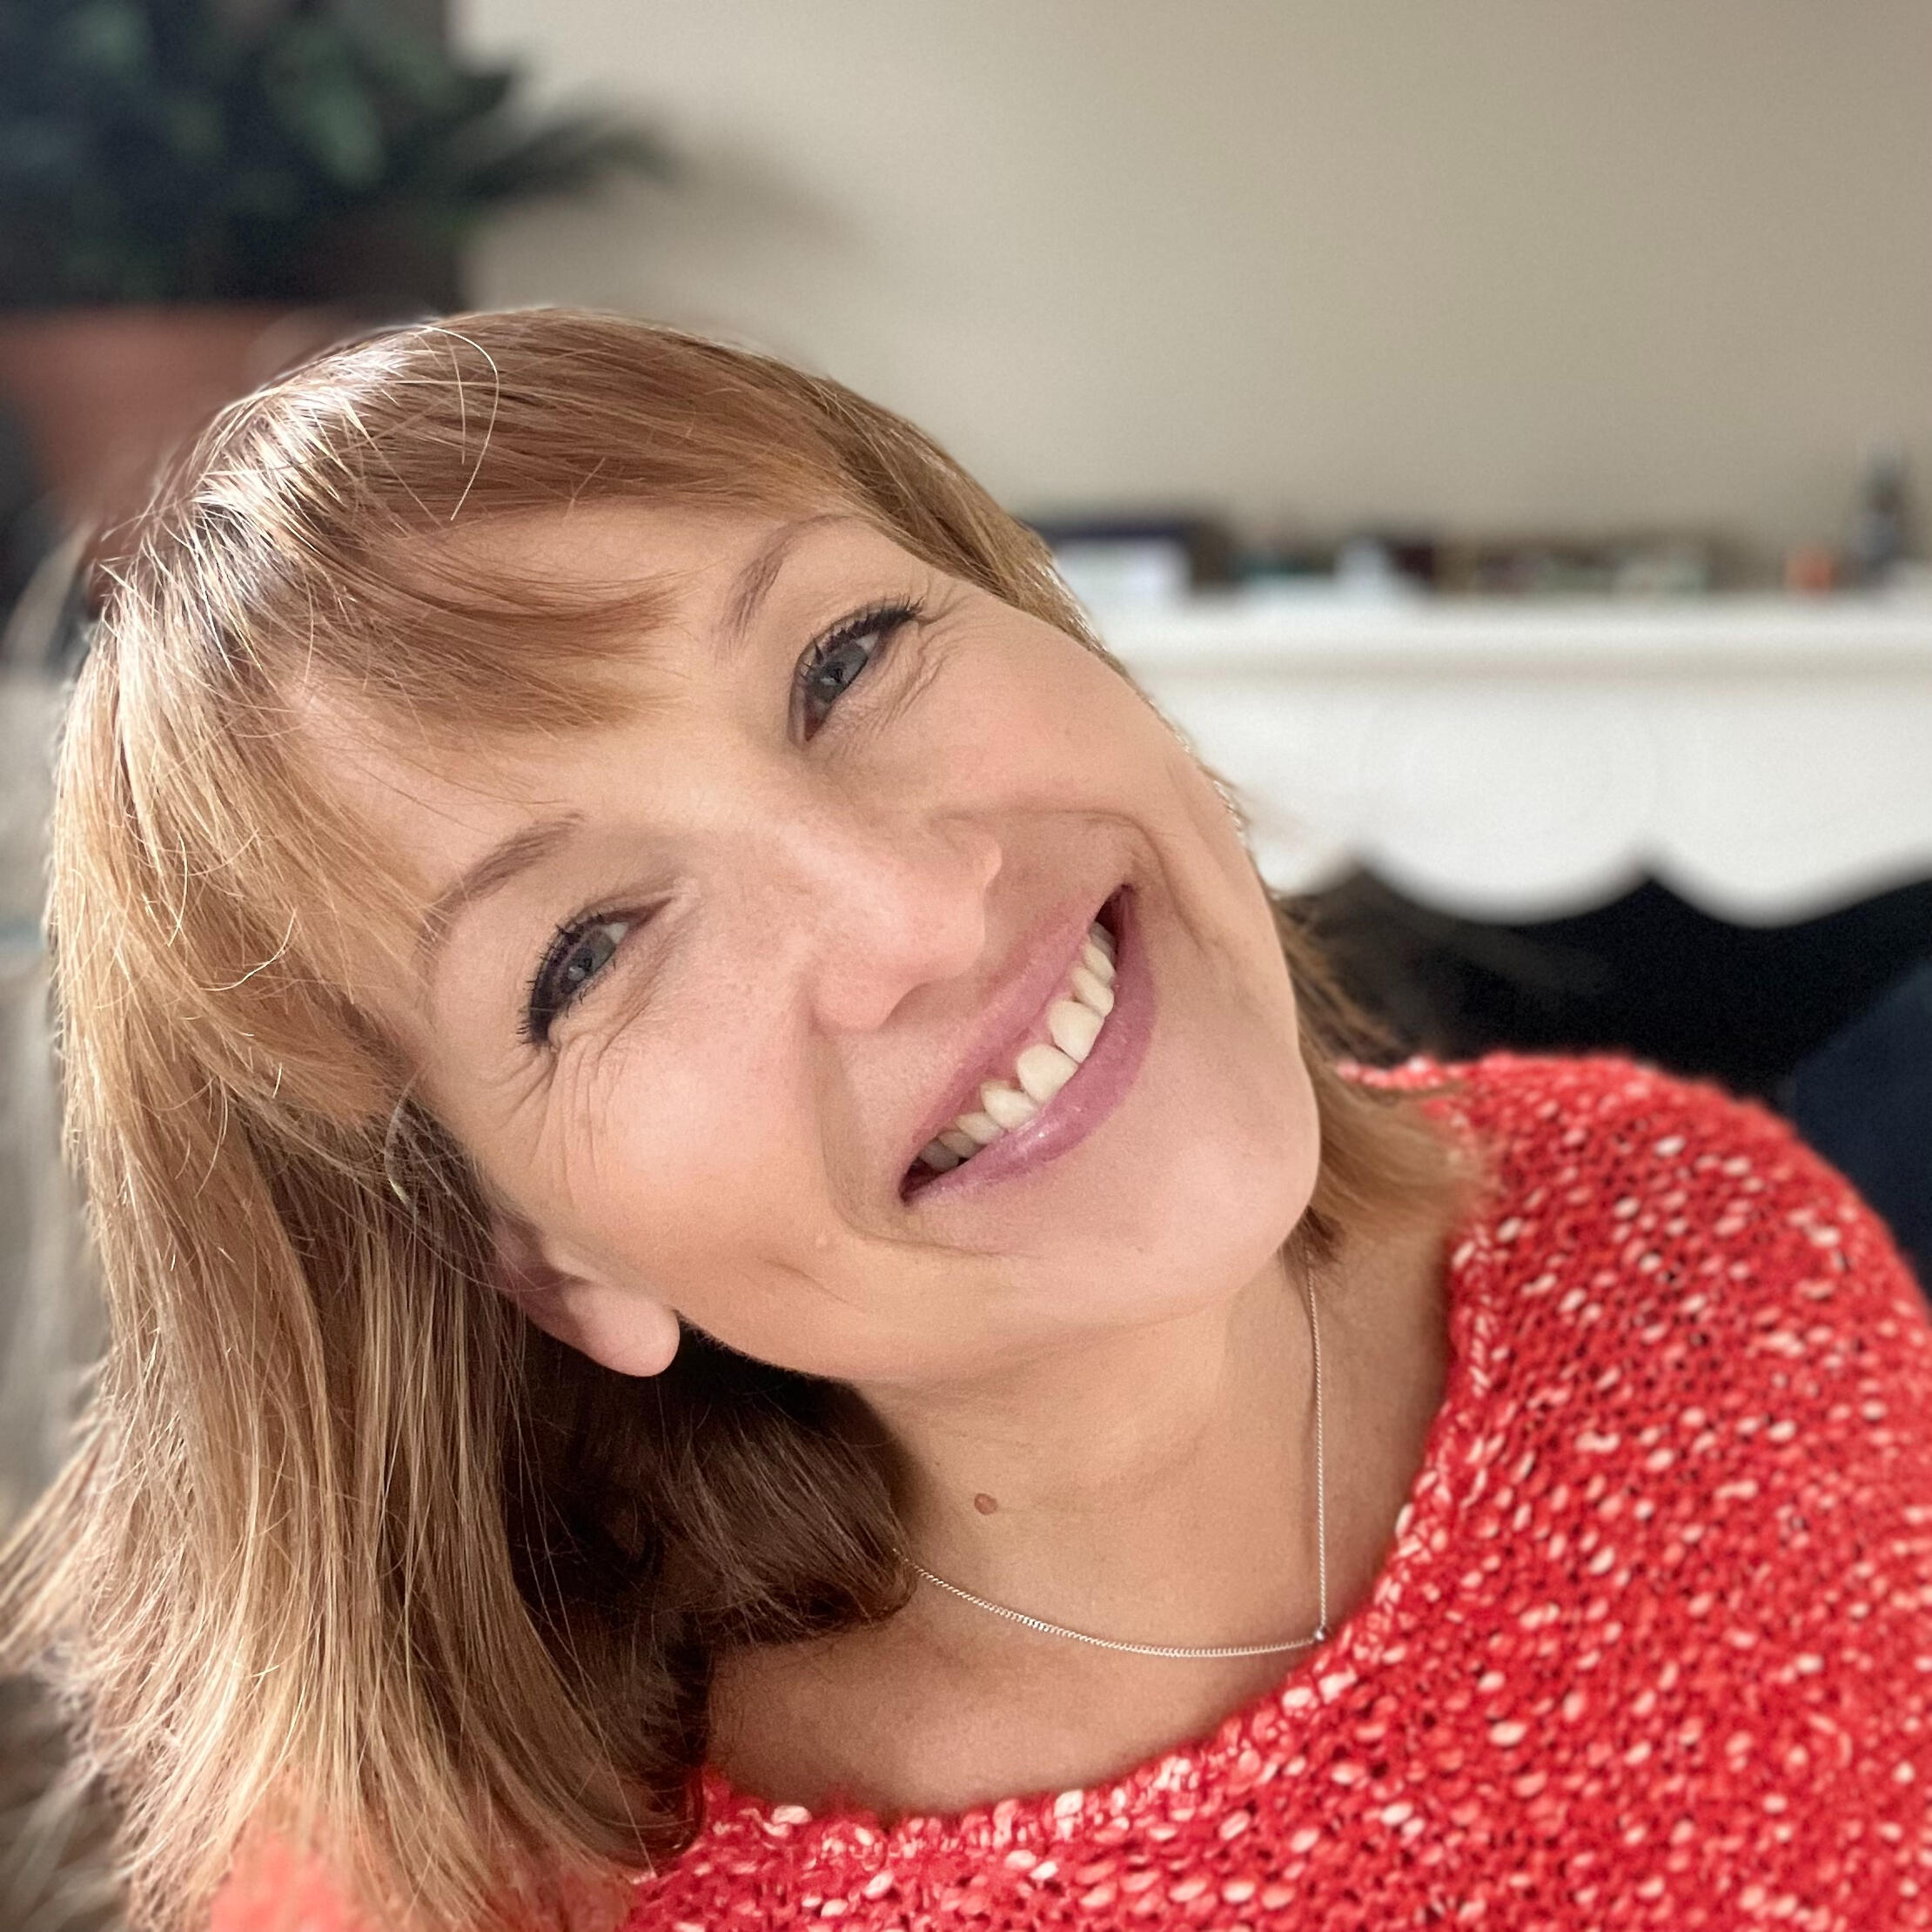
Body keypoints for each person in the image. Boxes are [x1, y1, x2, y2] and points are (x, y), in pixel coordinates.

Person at [5, 310, 1931, 1932]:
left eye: (843, 659)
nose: (914, 913)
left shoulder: (1716, 1253)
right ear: (534, 1256)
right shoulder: (452, 1889)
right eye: (590, 950)